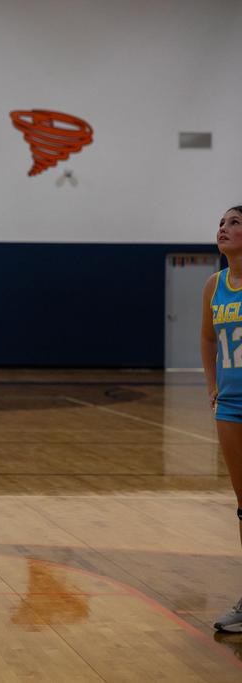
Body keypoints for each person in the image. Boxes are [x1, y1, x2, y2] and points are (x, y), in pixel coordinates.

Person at [201, 204, 242, 632]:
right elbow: (207, 336)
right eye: (221, 223)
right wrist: (212, 385)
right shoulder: (214, 284)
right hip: (229, 405)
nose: (223, 228)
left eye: (234, 222)